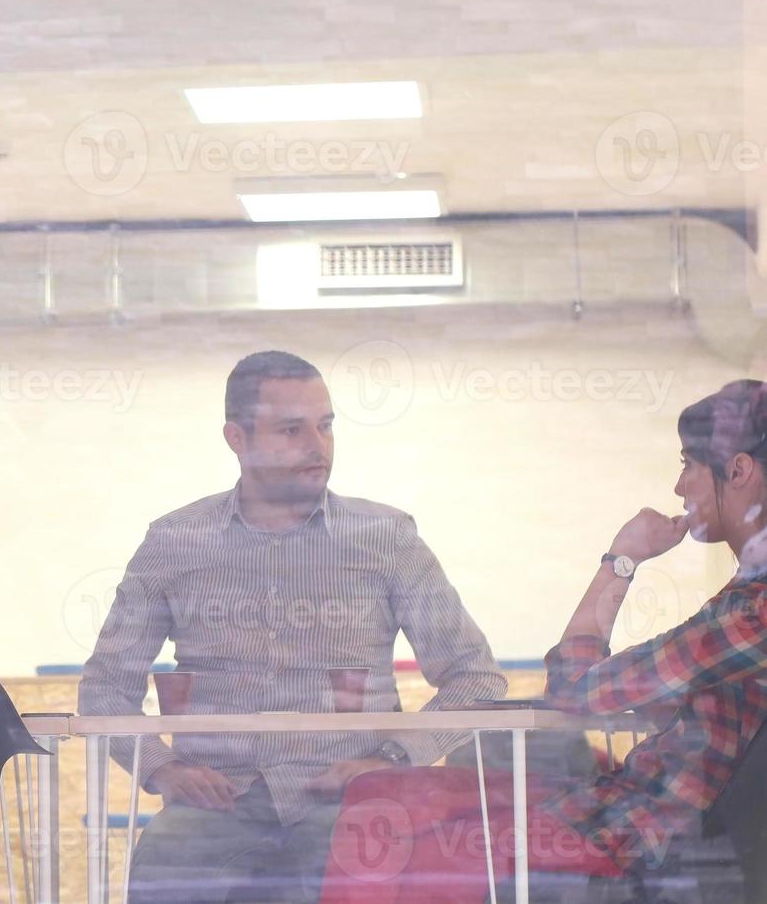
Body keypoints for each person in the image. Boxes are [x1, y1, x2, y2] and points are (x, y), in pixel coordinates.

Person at [78, 350, 507, 903]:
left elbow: (476, 679)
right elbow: (105, 688)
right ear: (237, 438)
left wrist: (391, 761)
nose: (317, 445)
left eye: (325, 426)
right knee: (168, 863)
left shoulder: (387, 538)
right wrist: (162, 770)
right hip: (213, 808)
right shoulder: (174, 542)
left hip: (355, 807)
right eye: (291, 429)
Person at [321, 378, 767, 903]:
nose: (679, 488)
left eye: (688, 465)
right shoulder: (744, 596)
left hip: (632, 831)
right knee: (377, 794)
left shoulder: (752, 609)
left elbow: (574, 689)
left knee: (415, 843)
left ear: (737, 471)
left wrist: (621, 560)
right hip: (617, 804)